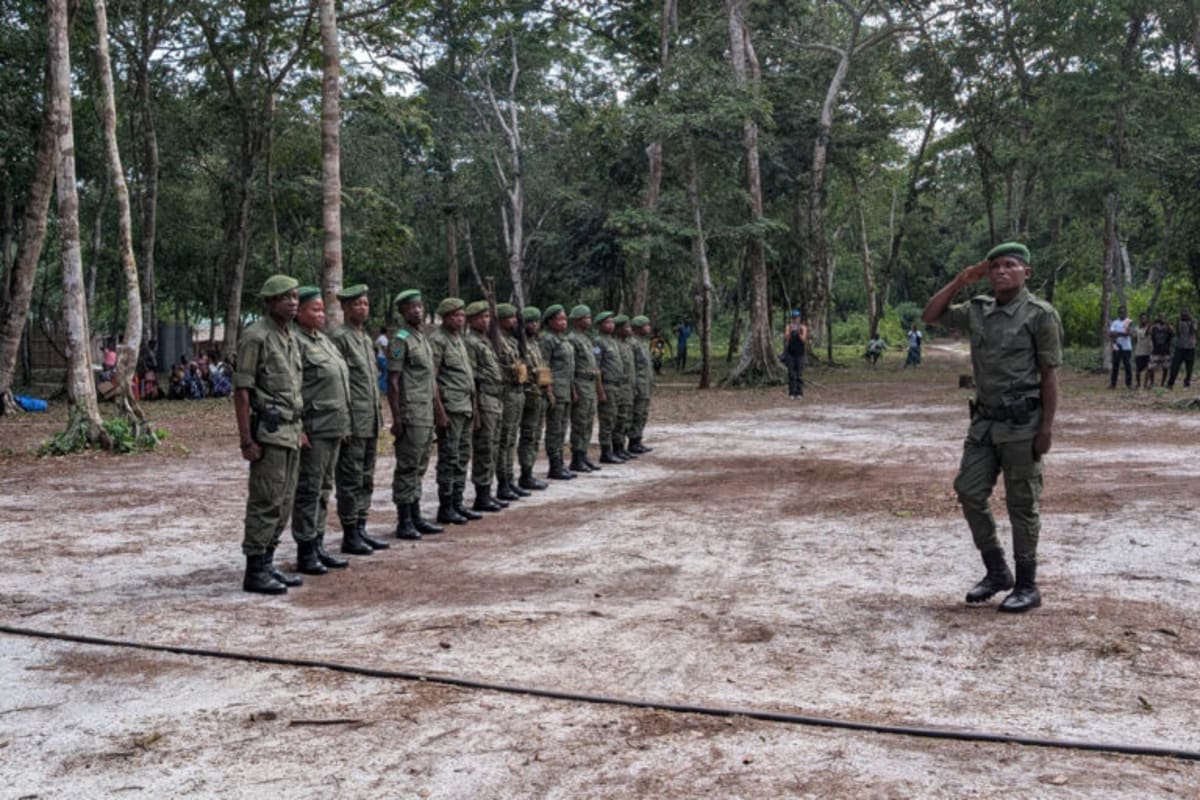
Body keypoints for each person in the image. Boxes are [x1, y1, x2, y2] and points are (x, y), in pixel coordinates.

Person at [922, 242, 1061, 613]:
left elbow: (1049, 376)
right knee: (968, 490)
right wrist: (960, 280)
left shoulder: (1039, 315)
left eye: (1010, 265)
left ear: (1025, 272)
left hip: (1022, 423)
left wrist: (1045, 429)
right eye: (995, 266)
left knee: (1022, 504)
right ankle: (997, 571)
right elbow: (932, 315)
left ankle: (1028, 585)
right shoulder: (978, 310)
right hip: (984, 423)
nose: (1001, 271)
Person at [233, 274, 305, 595]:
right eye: (285, 297)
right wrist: (246, 440)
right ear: (269, 302)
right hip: (269, 431)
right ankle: (254, 570)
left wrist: (300, 430)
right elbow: (242, 391)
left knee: (285, 500)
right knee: (266, 499)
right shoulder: (256, 337)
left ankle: (268, 561)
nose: (293, 302)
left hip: (291, 430)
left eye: (295, 296)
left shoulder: (288, 336)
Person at [331, 284, 401, 552]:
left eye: (366, 303)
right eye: (357, 304)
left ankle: (361, 526)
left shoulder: (364, 338)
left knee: (366, 477)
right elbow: (339, 383)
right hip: (352, 421)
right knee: (350, 478)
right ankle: (350, 533)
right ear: (345, 308)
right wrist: (344, 422)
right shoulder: (339, 338)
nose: (363, 308)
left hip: (370, 419)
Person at [290, 286, 353, 576]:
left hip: (332, 427)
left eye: (322, 309)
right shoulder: (295, 342)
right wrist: (299, 428)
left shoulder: (324, 341)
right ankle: (305, 550)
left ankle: (318, 544)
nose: (321, 314)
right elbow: (292, 389)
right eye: (314, 309)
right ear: (299, 312)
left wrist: (344, 424)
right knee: (309, 489)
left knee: (325, 488)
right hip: (313, 428)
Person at [384, 289, 444, 539]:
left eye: (419, 306)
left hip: (426, 410)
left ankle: (416, 515)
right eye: (411, 308)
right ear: (402, 312)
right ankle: (404, 520)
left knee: (420, 465)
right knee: (408, 466)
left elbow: (430, 380)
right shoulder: (400, 339)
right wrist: (397, 418)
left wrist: (439, 410)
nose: (417, 311)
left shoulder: (421, 338)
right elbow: (393, 382)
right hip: (411, 412)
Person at [429, 297, 480, 524]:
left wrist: (475, 410)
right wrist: (439, 411)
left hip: (466, 406)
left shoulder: (459, 340)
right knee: (449, 458)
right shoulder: (438, 341)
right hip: (450, 408)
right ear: (446, 317)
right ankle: (446, 506)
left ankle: (457, 502)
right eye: (455, 316)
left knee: (462, 457)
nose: (460, 320)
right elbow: (433, 378)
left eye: (462, 316)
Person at [463, 300, 506, 512]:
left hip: (495, 398)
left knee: (494, 445)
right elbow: (472, 377)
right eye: (481, 317)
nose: (485, 320)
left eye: (487, 316)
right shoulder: (471, 342)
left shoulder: (485, 341)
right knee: (484, 448)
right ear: (471, 321)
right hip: (484, 399)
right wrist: (476, 409)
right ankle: (482, 494)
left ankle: (488, 491)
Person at [494, 303, 529, 502]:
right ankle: (503, 483)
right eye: (510, 318)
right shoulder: (497, 340)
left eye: (515, 318)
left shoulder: (513, 341)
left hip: (517, 392)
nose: (514, 321)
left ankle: (509, 480)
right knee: (504, 439)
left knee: (510, 439)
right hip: (506, 393)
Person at [539, 304, 576, 480]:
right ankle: (554, 465)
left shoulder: (564, 340)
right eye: (560, 319)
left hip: (566, 390)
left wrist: (573, 390)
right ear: (550, 321)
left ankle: (560, 463)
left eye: (565, 319)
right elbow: (544, 366)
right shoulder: (548, 340)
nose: (564, 322)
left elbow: (570, 369)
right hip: (556, 391)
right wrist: (549, 391)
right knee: (554, 429)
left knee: (562, 428)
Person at [517, 306, 551, 491]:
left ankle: (528, 473)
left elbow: (541, 367)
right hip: (528, 394)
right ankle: (524, 474)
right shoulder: (519, 344)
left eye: (536, 321)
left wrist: (548, 387)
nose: (534, 325)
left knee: (535, 435)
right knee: (528, 435)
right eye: (530, 322)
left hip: (539, 393)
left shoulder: (534, 343)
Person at [567, 304, 601, 474]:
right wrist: (572, 388)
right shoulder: (573, 339)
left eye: (589, 317)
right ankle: (576, 458)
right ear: (578, 321)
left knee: (588, 422)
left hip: (590, 384)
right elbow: (570, 366)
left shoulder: (587, 339)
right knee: (579, 422)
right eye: (586, 318)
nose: (589, 320)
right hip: (580, 383)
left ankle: (583, 454)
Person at [593, 311, 625, 464]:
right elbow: (597, 367)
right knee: (607, 420)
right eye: (607, 322)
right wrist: (600, 390)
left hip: (617, 386)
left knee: (615, 419)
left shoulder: (612, 341)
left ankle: (614, 449)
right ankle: (605, 452)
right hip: (607, 385)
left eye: (612, 322)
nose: (611, 325)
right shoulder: (598, 342)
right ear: (600, 325)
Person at [628, 315, 656, 453]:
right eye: (646, 325)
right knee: (636, 413)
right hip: (638, 384)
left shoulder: (642, 343)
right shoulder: (632, 344)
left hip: (645, 384)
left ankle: (637, 440)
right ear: (639, 328)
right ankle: (632, 441)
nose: (649, 328)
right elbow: (631, 367)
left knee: (642, 414)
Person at [613, 315, 638, 459]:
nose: (629, 329)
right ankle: (615, 447)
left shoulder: (627, 345)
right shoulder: (615, 344)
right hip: (619, 387)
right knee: (618, 418)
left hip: (628, 386)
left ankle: (621, 447)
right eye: (626, 327)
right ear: (619, 329)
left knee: (626, 417)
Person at [1167, 308, 1196, 389]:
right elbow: (1178, 333)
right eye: (1183, 313)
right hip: (1179, 347)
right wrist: (1178, 322)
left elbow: (1193, 331)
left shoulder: (1193, 321)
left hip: (1190, 347)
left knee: (1189, 367)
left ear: (1189, 313)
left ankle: (1187, 383)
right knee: (1174, 366)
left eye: (1186, 313)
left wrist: (1191, 321)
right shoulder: (1179, 322)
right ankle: (1170, 384)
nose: (1184, 314)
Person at [782, 311, 808, 398]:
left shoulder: (803, 327)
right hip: (790, 353)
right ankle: (792, 392)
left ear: (799, 318)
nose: (795, 319)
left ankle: (799, 392)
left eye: (797, 317)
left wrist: (798, 332)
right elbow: (786, 338)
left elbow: (803, 340)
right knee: (791, 373)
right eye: (794, 318)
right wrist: (790, 331)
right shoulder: (789, 326)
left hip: (800, 353)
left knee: (799, 374)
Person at [1108, 305, 1133, 389]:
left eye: (1123, 312)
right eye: (1120, 312)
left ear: (1126, 313)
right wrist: (1121, 333)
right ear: (1118, 313)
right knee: (1115, 366)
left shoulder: (1129, 321)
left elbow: (1129, 333)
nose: (1122, 314)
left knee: (1127, 366)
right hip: (1116, 347)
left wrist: (1117, 334)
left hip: (1126, 348)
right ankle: (1113, 384)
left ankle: (1129, 384)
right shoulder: (1115, 322)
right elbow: (1111, 334)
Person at [1146, 314, 1173, 388]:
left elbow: (1173, 333)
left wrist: (1167, 323)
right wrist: (1151, 324)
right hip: (1155, 351)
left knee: (1165, 368)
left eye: (1163, 317)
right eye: (1160, 317)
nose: (1162, 318)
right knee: (1151, 368)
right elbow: (1147, 333)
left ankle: (1162, 384)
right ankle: (1152, 383)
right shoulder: (1154, 327)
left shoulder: (1168, 327)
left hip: (1165, 351)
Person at [1133, 312, 1151, 388]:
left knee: (1148, 368)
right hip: (1139, 351)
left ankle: (1145, 384)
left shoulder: (1150, 328)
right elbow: (1134, 339)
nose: (1144, 319)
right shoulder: (1136, 328)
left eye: (1145, 318)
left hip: (1148, 351)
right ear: (1140, 319)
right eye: (1142, 318)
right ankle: (1138, 384)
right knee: (1137, 369)